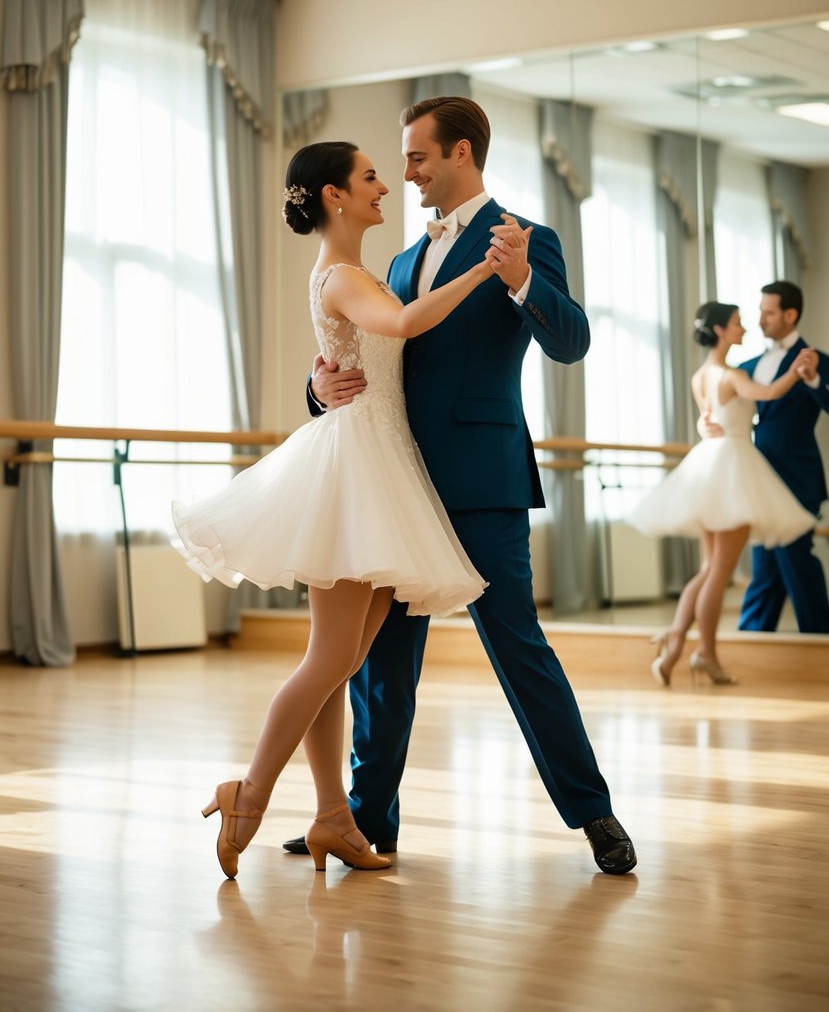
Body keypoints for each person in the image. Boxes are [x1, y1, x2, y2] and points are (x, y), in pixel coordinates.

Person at [284, 96, 637, 876]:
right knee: (379, 665)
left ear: (461, 156)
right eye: (400, 161)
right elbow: (370, 356)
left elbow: (572, 342)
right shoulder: (403, 262)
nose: (404, 173)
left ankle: (594, 814)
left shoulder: (525, 238)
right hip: (395, 483)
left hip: (483, 481)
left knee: (520, 650)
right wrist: (317, 388)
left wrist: (520, 283)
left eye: (416, 158)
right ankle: (364, 821)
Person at [173, 140, 495, 879]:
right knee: (330, 657)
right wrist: (484, 269)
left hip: (380, 463)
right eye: (370, 176)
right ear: (333, 196)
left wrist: (322, 380)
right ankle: (247, 793)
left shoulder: (354, 273)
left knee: (341, 660)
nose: (384, 186)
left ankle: (331, 818)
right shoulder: (346, 275)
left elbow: (369, 350)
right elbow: (405, 325)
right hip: (354, 469)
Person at [629, 301, 816, 686]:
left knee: (709, 569)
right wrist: (798, 373)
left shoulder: (701, 374)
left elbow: (710, 414)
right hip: (731, 465)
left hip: (710, 463)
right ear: (720, 331)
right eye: (737, 323)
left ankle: (679, 641)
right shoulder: (730, 375)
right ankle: (703, 653)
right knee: (719, 572)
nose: (744, 328)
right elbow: (767, 393)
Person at [730, 282, 828, 634]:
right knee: (766, 567)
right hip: (760, 480)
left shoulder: (815, 359)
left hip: (798, 479)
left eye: (768, 312)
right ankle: (752, 641)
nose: (761, 320)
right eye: (760, 311)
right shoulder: (747, 365)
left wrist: (815, 378)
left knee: (796, 561)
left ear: (790, 314)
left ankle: (819, 642)